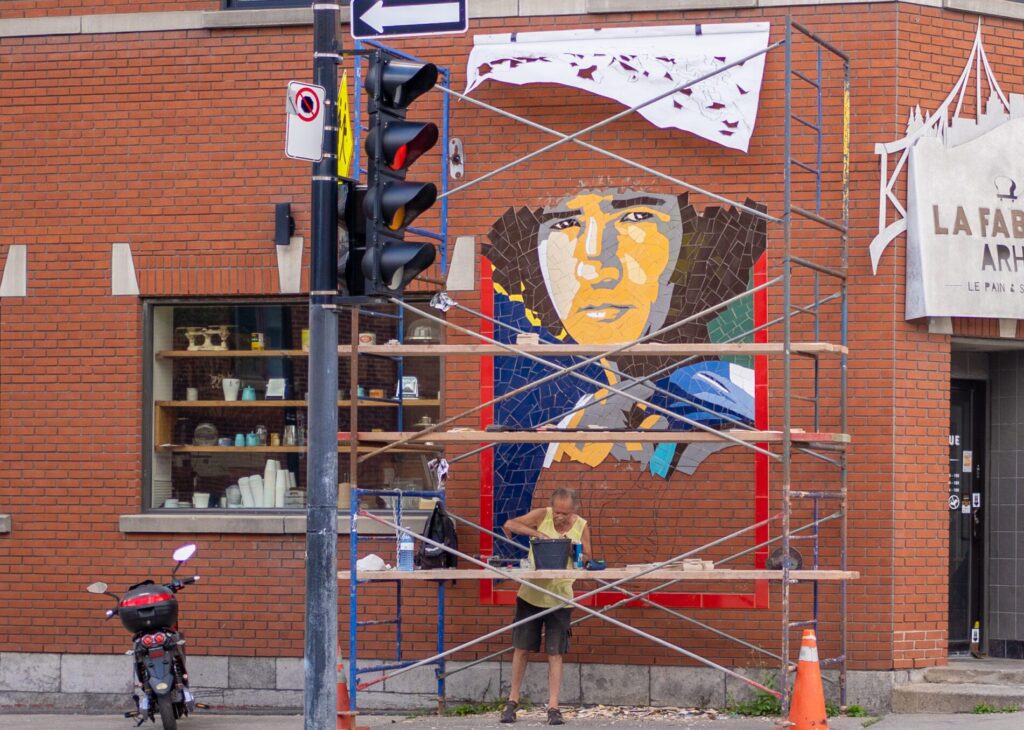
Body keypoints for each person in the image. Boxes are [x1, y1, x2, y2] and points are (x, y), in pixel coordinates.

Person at [483, 189, 766, 532]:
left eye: (635, 218)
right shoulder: (574, 418)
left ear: (691, 246)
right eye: (568, 224)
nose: (594, 265)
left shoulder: (721, 399)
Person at [499, 487, 592, 726]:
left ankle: (553, 706)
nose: (560, 517)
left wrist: (575, 550)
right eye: (557, 512)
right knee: (521, 648)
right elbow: (510, 524)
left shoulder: (581, 525)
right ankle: (512, 701)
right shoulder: (543, 515)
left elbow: (589, 558)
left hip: (560, 598)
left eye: (565, 513)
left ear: (574, 510)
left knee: (555, 653)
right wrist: (537, 534)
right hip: (531, 595)